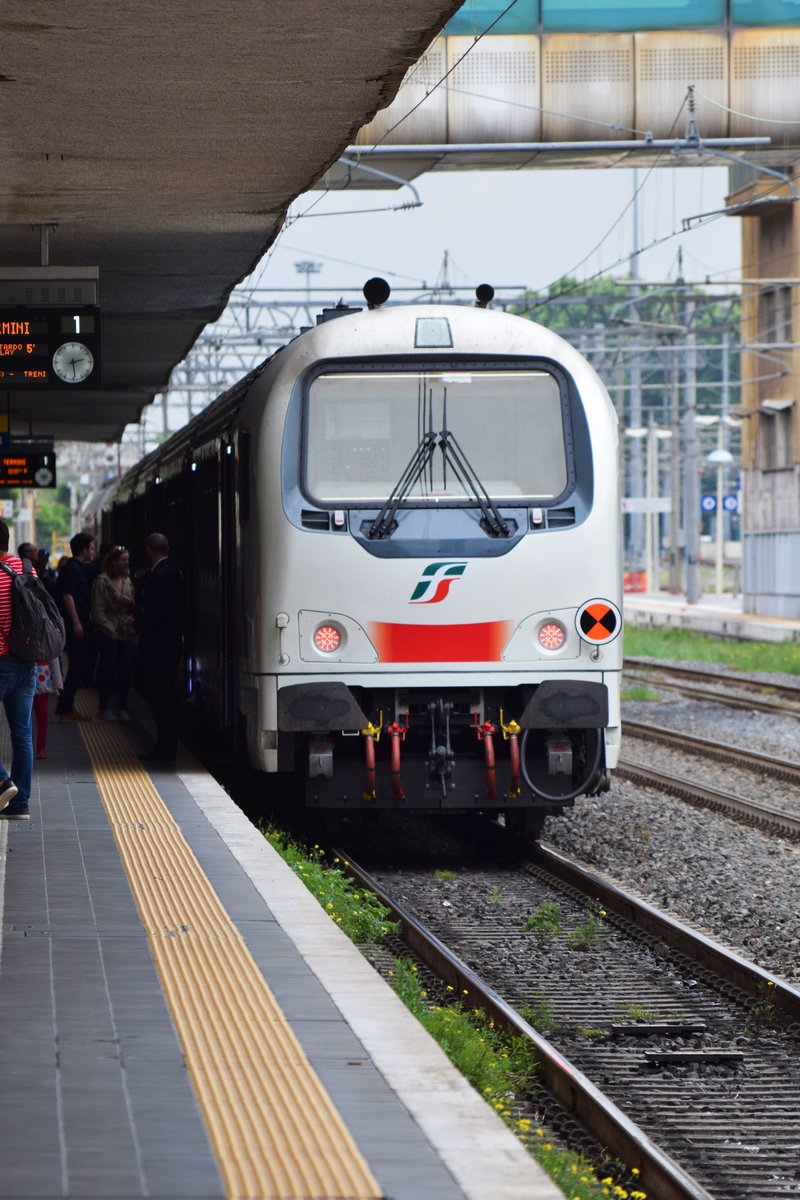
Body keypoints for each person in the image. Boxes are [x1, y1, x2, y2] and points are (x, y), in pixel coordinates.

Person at [0, 521, 37, 820]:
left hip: (1, 660)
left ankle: (3, 782)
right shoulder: (26, 569)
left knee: (22, 732)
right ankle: (20, 802)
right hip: (27, 660)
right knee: (22, 732)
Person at [138, 533, 182, 763]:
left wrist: (139, 625)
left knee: (162, 699)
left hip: (160, 647)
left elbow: (156, 611)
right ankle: (164, 747)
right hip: (167, 645)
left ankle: (165, 749)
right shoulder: (171, 570)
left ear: (148, 549)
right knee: (163, 698)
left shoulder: (162, 574)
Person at [54, 531, 96, 721]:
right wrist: (77, 622)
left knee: (78, 665)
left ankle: (66, 706)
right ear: (84, 549)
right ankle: (65, 708)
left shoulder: (74, 567)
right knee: (77, 665)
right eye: (91, 548)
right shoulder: (73, 569)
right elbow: (67, 595)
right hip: (75, 626)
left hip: (75, 624)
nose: (93, 552)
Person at [91, 545, 136, 721]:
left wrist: (130, 602)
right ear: (114, 561)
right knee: (107, 671)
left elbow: (133, 602)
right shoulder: (101, 582)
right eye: (124, 559)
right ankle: (103, 708)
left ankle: (123, 706)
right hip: (108, 633)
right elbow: (98, 609)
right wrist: (110, 630)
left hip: (127, 630)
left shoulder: (128, 580)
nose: (127, 563)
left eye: (127, 560)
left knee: (126, 670)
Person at [32, 655, 63, 759]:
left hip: (28, 673)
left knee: (26, 717)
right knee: (42, 714)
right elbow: (53, 653)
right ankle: (39, 749)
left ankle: (30, 748)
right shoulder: (47, 637)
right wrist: (58, 682)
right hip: (42, 674)